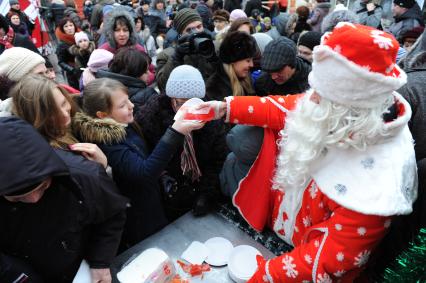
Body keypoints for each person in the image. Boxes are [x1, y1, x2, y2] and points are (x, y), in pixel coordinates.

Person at [199, 23, 417, 282]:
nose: (309, 99)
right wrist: (224, 108)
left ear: (349, 107)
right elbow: (283, 107)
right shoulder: (337, 110)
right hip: (291, 231)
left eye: (319, 96)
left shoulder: (378, 183)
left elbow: (329, 258)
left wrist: (264, 275)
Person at [73, 77, 204, 249]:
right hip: (138, 214)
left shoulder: (125, 123)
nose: (131, 105)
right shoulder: (108, 142)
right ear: (102, 115)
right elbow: (144, 174)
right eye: (122, 105)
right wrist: (175, 132)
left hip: (152, 201)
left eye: (128, 99)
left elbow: (145, 153)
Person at [0, 115, 127, 282]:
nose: (34, 199)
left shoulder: (85, 177)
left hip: (85, 269)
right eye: (18, 198)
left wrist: (100, 261)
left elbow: (113, 213)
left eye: (43, 187)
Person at [136, 65, 227, 219]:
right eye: (180, 103)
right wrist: (163, 178)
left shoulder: (210, 114)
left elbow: (217, 158)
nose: (187, 109)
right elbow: (146, 154)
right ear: (172, 98)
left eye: (192, 103)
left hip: (200, 187)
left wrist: (207, 193)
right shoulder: (152, 116)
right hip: (169, 195)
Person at [156, 8, 218, 92]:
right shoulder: (166, 55)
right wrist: (177, 57)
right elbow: (163, 87)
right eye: (189, 30)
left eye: (199, 27)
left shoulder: (215, 46)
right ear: (180, 34)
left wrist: (212, 57)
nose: (196, 32)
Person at [206, 31, 257, 101]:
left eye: (252, 60)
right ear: (233, 61)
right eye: (248, 60)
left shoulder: (246, 79)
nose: (252, 65)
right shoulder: (214, 87)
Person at [55, 17, 81, 89]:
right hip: (73, 74)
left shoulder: (81, 37)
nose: (69, 28)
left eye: (71, 25)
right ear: (62, 29)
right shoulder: (62, 44)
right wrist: (73, 70)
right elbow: (61, 62)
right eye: (66, 26)